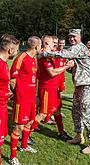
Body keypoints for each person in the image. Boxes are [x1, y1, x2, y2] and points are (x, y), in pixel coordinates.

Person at [42, 29, 90, 154]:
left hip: (87, 84)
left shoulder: (80, 47)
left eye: (74, 37)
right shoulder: (76, 49)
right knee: (75, 110)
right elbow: (74, 67)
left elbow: (64, 54)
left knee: (86, 109)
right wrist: (69, 67)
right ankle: (79, 135)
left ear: (79, 37)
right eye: (70, 37)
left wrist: (46, 54)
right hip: (79, 84)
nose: (71, 39)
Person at [33, 35, 74, 141]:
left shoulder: (49, 55)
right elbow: (51, 73)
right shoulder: (44, 56)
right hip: (47, 88)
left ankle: (61, 132)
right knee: (42, 113)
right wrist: (67, 66)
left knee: (57, 110)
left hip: (54, 87)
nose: (54, 45)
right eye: (52, 43)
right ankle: (25, 135)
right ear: (46, 43)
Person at [9, 36, 41, 165]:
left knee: (29, 122)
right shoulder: (21, 58)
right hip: (22, 99)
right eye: (40, 46)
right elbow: (12, 79)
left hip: (31, 98)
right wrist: (19, 94)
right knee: (18, 127)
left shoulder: (33, 59)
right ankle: (12, 157)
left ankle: (24, 145)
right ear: (36, 47)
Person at [0, 34, 20, 164]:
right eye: (16, 50)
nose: (17, 52)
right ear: (10, 50)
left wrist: (9, 93)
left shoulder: (5, 63)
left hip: (3, 105)